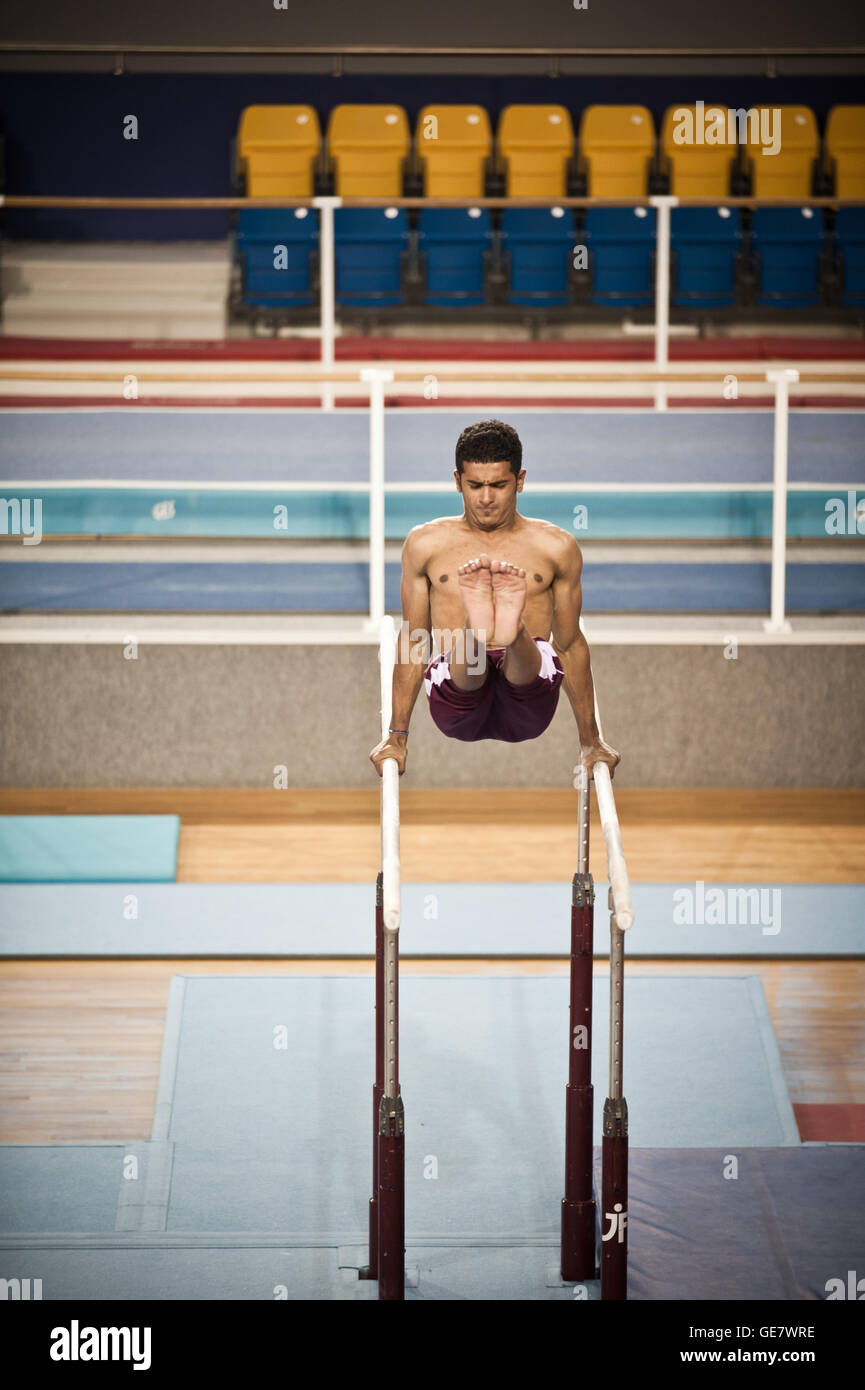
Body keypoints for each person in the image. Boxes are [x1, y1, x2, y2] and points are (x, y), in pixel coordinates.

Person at [369, 418, 620, 781]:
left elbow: (568, 644)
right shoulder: (424, 545)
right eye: (475, 485)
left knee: (531, 659)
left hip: (528, 697)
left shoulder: (556, 547)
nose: (486, 498)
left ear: (520, 480)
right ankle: (478, 628)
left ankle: (511, 629)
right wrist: (396, 737)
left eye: (499, 485)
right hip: (459, 693)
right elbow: (415, 640)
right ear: (458, 481)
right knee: (469, 657)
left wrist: (591, 741)